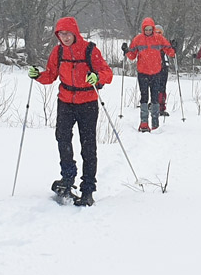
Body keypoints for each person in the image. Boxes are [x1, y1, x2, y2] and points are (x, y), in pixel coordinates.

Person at [28, 16, 113, 206]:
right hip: (65, 101)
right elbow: (50, 75)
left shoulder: (90, 50)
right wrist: (37, 75)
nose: (65, 37)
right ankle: (67, 178)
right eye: (61, 34)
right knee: (62, 137)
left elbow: (107, 73)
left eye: (68, 33)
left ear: (75, 32)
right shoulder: (58, 52)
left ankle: (88, 188)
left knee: (88, 145)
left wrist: (96, 77)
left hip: (88, 102)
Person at [122, 17, 176, 132]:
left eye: (150, 29)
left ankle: (155, 122)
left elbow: (170, 52)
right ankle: (144, 121)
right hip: (143, 73)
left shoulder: (159, 38)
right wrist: (126, 51)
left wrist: (173, 48)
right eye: (146, 29)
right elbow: (132, 56)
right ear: (143, 29)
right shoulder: (138, 39)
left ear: (153, 28)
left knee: (155, 97)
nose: (148, 31)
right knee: (144, 97)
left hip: (156, 72)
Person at [155, 24, 171, 116]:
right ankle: (154, 105)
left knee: (162, 87)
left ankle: (161, 106)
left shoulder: (164, 42)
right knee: (154, 87)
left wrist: (173, 47)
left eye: (159, 32)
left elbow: (170, 52)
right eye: (156, 32)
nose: (157, 34)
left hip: (163, 66)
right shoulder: (150, 42)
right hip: (153, 67)